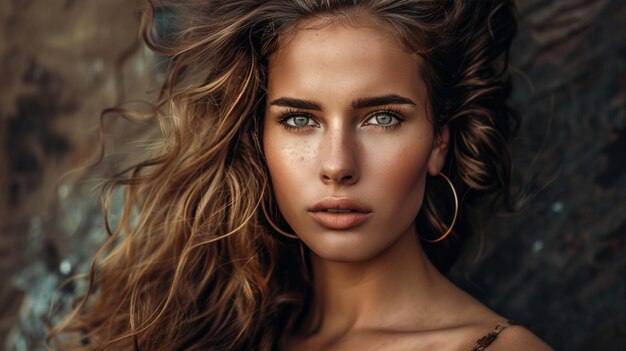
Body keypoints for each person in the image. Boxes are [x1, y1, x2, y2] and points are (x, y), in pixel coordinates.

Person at [49, 1, 553, 350]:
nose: (337, 165)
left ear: (439, 142)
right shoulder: (210, 331)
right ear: (259, 139)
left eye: (382, 118)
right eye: (299, 120)